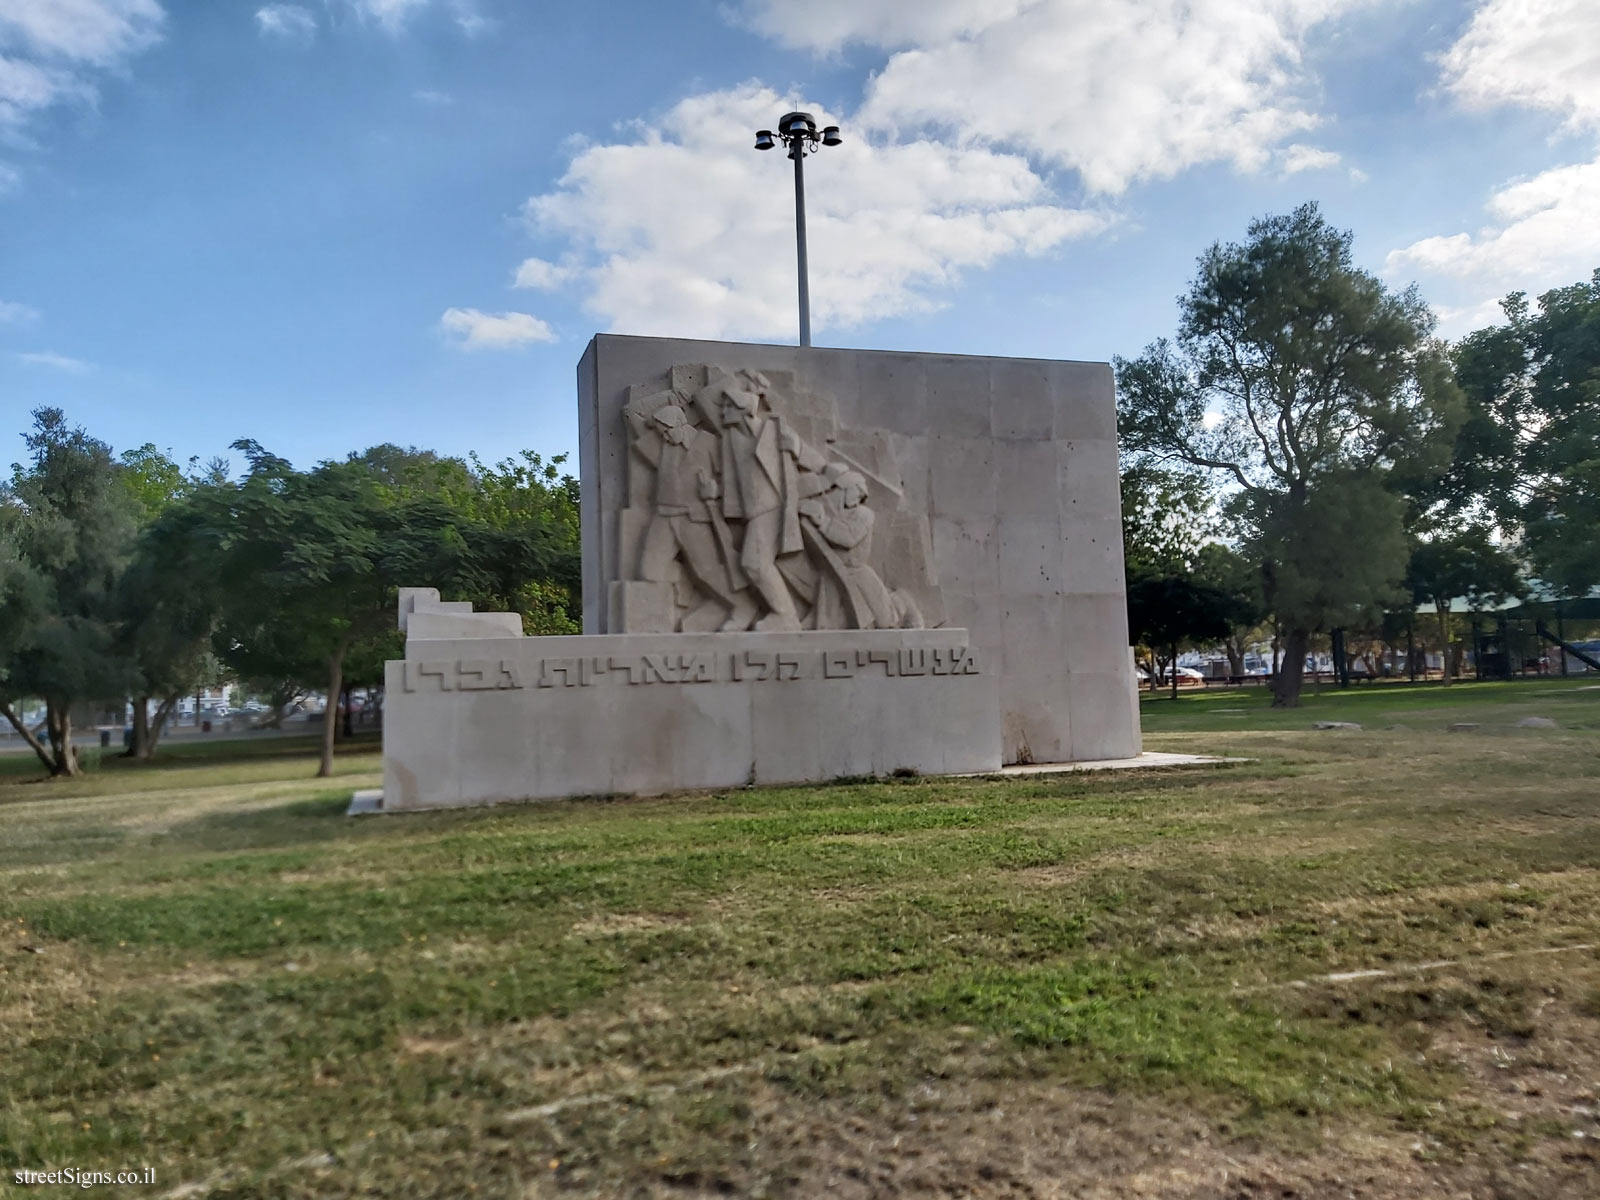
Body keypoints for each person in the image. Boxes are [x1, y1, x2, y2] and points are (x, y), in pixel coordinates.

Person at [707, 371, 828, 631]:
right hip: (754, 513)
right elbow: (734, 482)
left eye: (729, 406)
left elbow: (816, 461)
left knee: (753, 563)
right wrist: (715, 491)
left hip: (774, 509)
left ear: (742, 408)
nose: (723, 410)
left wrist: (794, 447)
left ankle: (785, 616)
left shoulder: (772, 430)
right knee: (771, 567)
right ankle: (800, 610)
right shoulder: (732, 441)